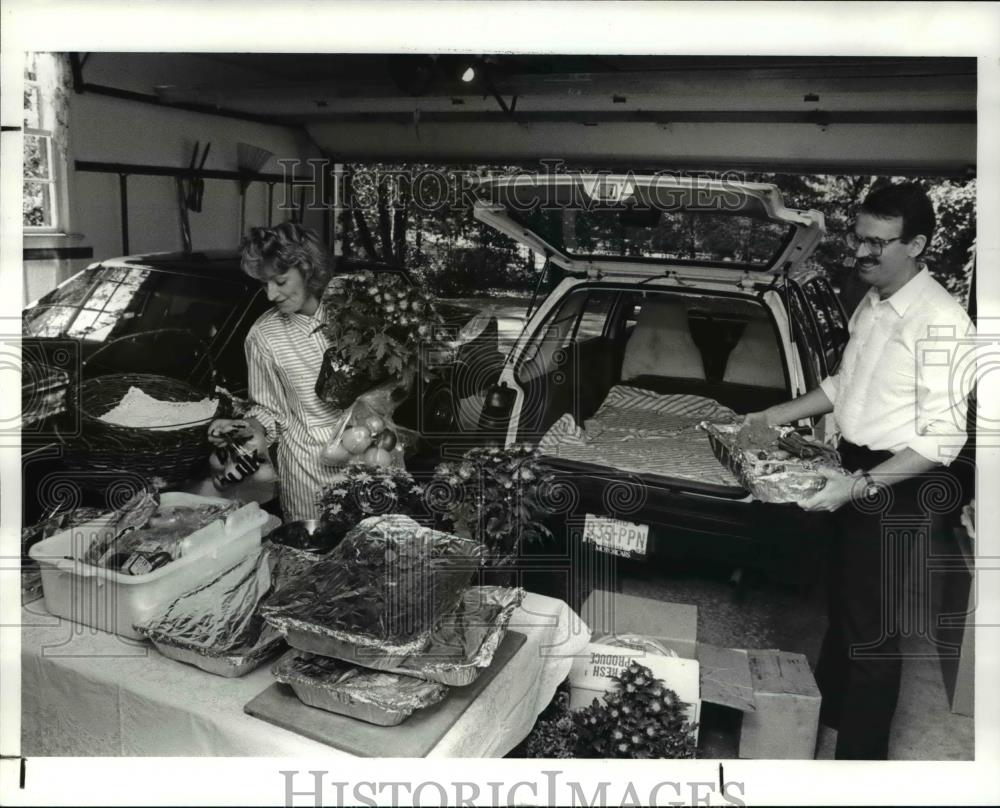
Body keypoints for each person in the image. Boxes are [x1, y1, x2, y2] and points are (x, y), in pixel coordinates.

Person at [745, 183, 974, 759]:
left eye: (878, 242)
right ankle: (816, 721)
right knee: (844, 606)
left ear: (916, 244)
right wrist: (772, 415)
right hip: (852, 468)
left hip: (896, 485)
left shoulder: (942, 321)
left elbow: (943, 439)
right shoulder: (871, 302)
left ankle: (861, 766)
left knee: (872, 633)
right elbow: (844, 385)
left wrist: (860, 485)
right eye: (858, 237)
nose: (862, 252)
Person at [208, 222, 345, 522]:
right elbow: (270, 411)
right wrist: (245, 429)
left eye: (280, 281)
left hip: (372, 460)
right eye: (264, 284)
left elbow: (391, 387)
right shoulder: (264, 336)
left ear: (307, 268)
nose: (271, 295)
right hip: (310, 474)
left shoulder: (353, 311)